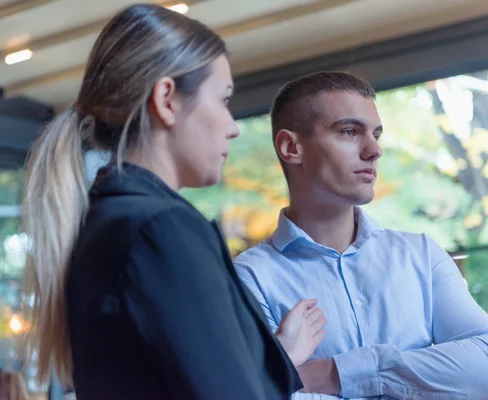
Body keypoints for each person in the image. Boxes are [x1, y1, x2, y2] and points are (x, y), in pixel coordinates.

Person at [21, 4, 326, 400]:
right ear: (167, 99)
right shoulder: (160, 229)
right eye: (223, 99)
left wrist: (276, 356)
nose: (233, 128)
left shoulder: (110, 221)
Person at [234, 71, 488, 399]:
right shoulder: (249, 279)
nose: (373, 150)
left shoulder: (422, 256)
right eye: (350, 131)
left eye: (376, 135)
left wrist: (334, 373)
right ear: (290, 147)